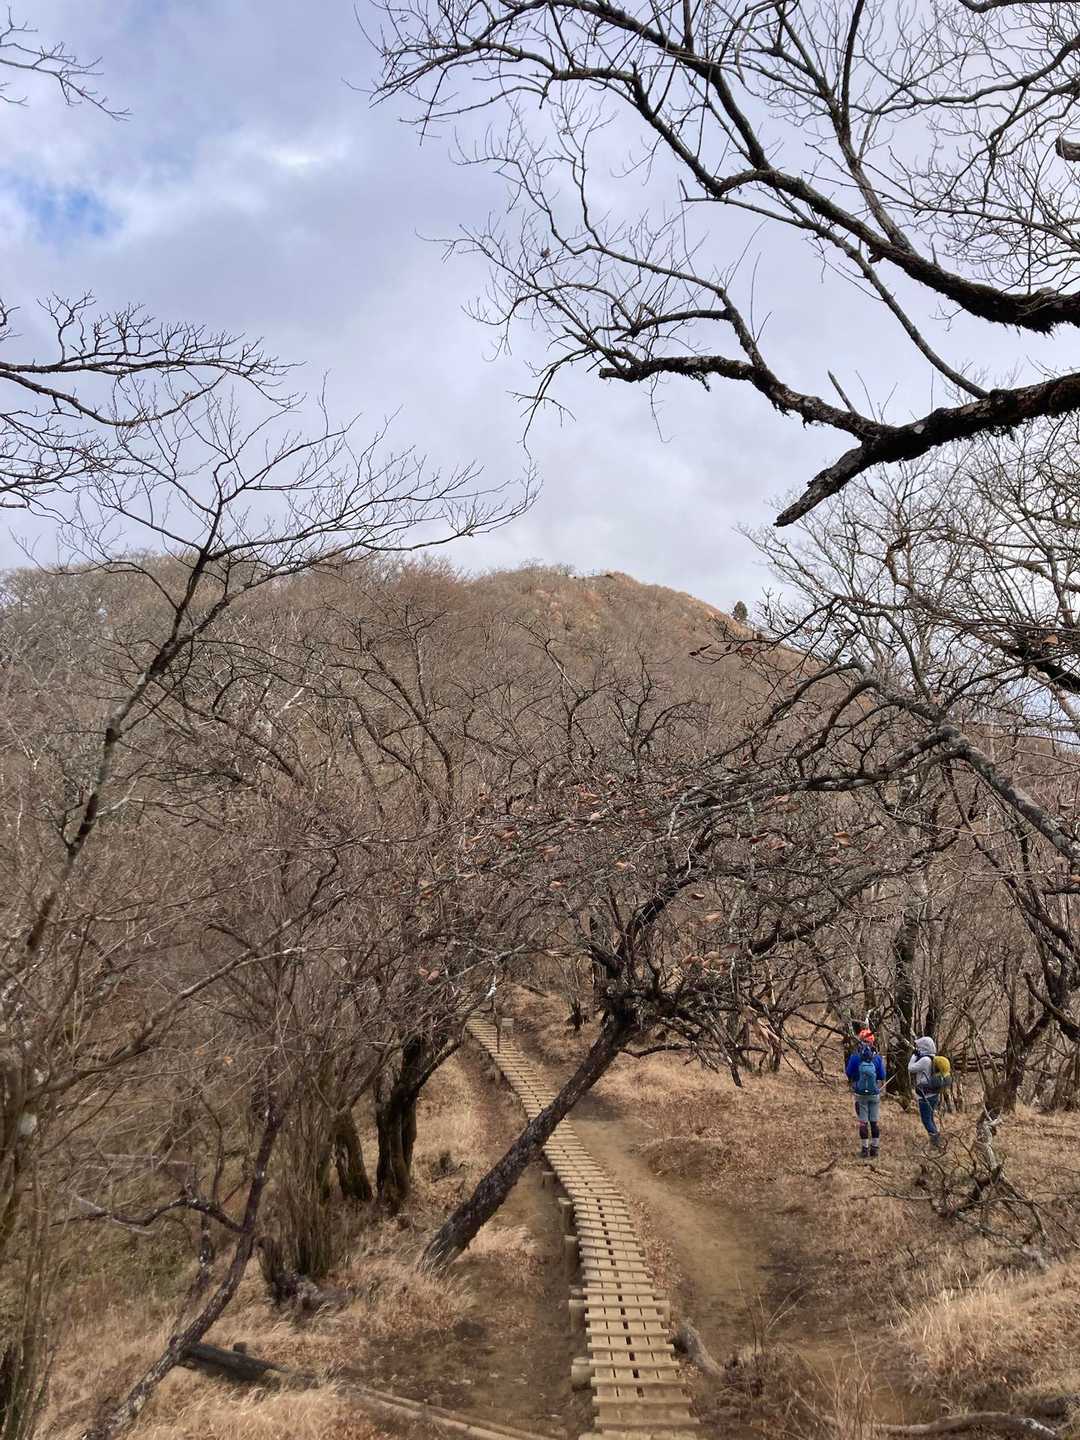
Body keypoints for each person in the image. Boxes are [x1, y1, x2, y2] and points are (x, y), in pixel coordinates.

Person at [844, 1028, 886, 1160]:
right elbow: (882, 1075)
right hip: (874, 1093)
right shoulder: (877, 1058)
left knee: (863, 1123)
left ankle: (864, 1150)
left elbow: (848, 1073)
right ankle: (875, 1149)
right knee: (874, 1122)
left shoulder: (855, 1057)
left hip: (860, 1093)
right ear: (872, 1042)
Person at [908, 1036, 944, 1149]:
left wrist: (914, 1056)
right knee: (930, 1118)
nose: (918, 1048)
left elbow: (910, 1068)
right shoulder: (934, 1058)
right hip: (934, 1094)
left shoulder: (925, 1060)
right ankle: (936, 1141)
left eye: (919, 1047)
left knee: (926, 1120)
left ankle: (936, 1143)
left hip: (925, 1095)